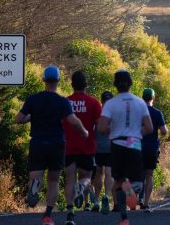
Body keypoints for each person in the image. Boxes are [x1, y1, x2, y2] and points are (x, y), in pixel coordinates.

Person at [15, 66, 89, 225]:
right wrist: (84, 132)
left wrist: (30, 117)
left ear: (43, 80)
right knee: (53, 181)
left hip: (38, 143)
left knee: (36, 176)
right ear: (58, 81)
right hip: (56, 143)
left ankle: (35, 186)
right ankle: (47, 215)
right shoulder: (63, 101)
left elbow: (19, 119)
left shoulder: (33, 99)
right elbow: (72, 120)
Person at [97, 70, 153, 225]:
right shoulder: (140, 102)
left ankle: (124, 218)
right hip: (133, 143)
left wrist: (112, 131)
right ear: (131, 83)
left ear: (115, 84)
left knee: (119, 179)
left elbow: (101, 127)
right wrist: (135, 134)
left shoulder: (110, 103)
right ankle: (130, 193)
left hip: (116, 144)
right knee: (138, 182)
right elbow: (149, 127)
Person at [64, 71, 102, 224]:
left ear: (72, 85)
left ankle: (70, 211)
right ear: (86, 85)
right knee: (86, 178)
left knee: (69, 180)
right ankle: (82, 186)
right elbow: (100, 126)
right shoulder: (94, 103)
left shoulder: (65, 102)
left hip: (68, 147)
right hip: (87, 147)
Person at [140, 88, 167, 211]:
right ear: (153, 98)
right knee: (149, 175)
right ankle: (146, 202)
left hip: (137, 146)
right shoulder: (157, 113)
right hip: (151, 147)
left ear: (142, 97)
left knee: (136, 174)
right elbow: (163, 131)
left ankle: (134, 199)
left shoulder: (137, 112)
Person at [92, 91, 114, 214]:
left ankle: (96, 200)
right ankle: (106, 196)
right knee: (109, 173)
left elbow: (92, 129)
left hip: (98, 148)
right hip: (111, 148)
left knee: (98, 173)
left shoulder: (97, 113)